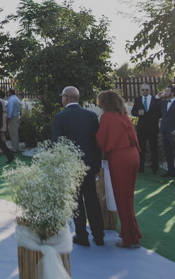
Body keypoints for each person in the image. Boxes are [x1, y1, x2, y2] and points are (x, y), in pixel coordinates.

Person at [52, 86, 104, 247]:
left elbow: (57, 145)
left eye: (62, 96)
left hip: (71, 166)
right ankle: (99, 235)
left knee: (76, 201)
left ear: (66, 97)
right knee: (92, 199)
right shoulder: (91, 116)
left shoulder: (60, 117)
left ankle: (82, 235)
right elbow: (97, 143)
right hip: (89, 165)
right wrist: (96, 165)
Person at [96, 89, 142, 249]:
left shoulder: (107, 117)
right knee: (128, 197)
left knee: (121, 198)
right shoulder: (124, 115)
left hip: (120, 157)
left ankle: (130, 239)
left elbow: (102, 141)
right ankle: (131, 231)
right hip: (133, 155)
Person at [130, 83, 161, 174]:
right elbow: (133, 112)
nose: (145, 91)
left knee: (154, 148)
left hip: (153, 127)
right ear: (141, 90)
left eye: (146, 90)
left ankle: (155, 168)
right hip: (141, 128)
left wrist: (154, 117)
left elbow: (160, 113)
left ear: (149, 90)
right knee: (141, 148)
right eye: (143, 90)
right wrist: (138, 113)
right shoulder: (138, 100)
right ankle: (140, 168)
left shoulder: (155, 100)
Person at [159, 86, 175, 179]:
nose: (165, 92)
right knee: (168, 152)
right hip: (165, 132)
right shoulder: (163, 103)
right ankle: (171, 171)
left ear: (173, 93)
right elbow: (154, 104)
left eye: (167, 91)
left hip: (174, 133)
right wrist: (159, 96)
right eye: (165, 90)